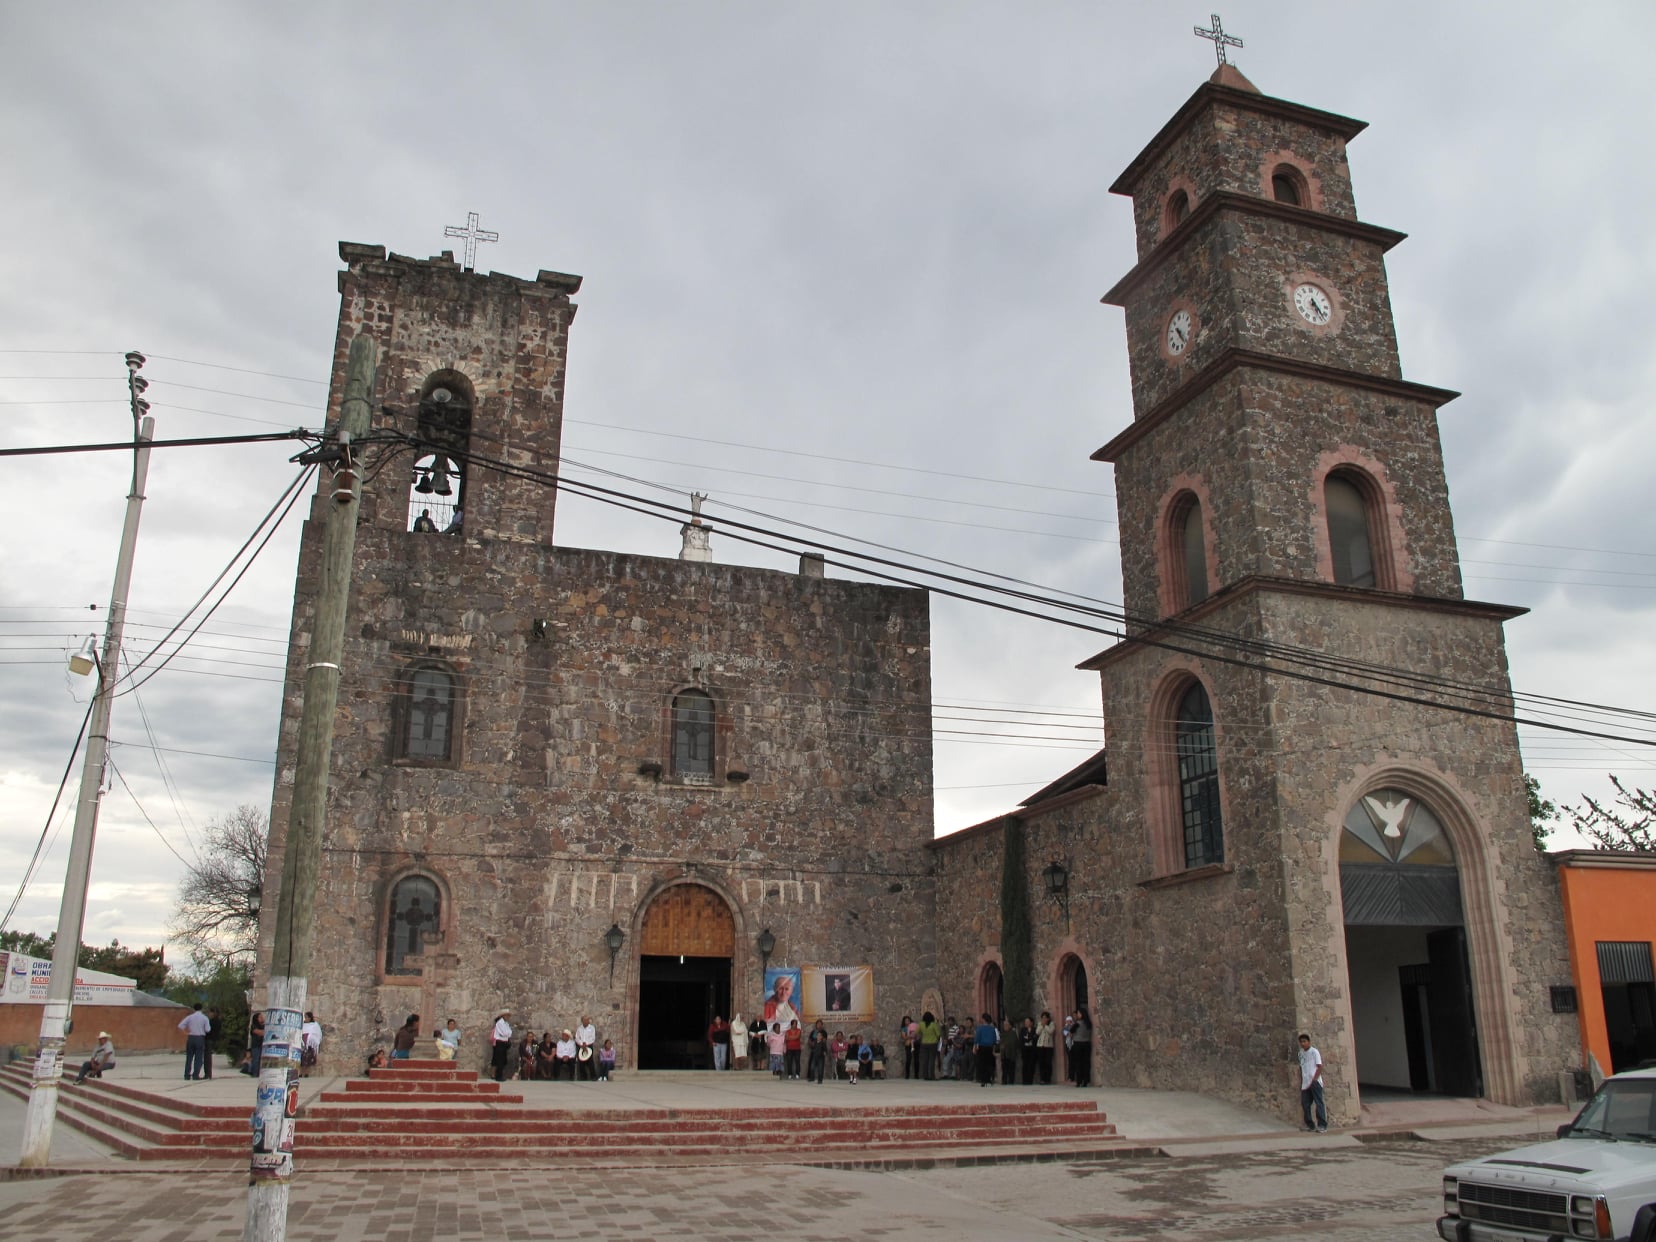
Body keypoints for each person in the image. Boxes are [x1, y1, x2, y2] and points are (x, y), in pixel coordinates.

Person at [1298, 1033, 1328, 1132]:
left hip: (1314, 1081)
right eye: (1301, 1042)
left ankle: (1322, 1125)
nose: (1303, 1044)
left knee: (1318, 1103)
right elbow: (1301, 1067)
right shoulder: (1300, 1053)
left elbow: (1319, 1066)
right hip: (1305, 1083)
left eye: (1304, 1041)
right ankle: (1309, 1124)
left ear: (1309, 1042)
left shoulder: (1314, 1052)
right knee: (1305, 1103)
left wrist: (1315, 1079)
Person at [179, 1003, 212, 1081]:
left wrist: (186, 1033)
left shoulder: (189, 1017)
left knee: (189, 1057)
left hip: (191, 1037)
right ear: (202, 1008)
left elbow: (180, 1026)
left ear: (193, 1009)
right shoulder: (204, 1018)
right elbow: (208, 1030)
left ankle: (186, 1075)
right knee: (198, 1057)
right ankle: (195, 1075)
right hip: (200, 1038)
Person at [973, 1013, 998, 1087]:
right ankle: (989, 1078)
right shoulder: (992, 1029)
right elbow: (994, 1040)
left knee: (982, 1064)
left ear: (983, 1019)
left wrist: (975, 1047)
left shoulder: (980, 1028)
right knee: (989, 1064)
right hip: (989, 1047)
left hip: (982, 1047)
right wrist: (993, 1049)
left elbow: (977, 1038)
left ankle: (983, 1080)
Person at [1070, 1008, 1093, 1087]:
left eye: (1079, 1013)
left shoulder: (1077, 1024)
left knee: (1078, 1063)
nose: (1077, 1015)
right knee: (1086, 1063)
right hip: (1086, 1043)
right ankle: (1085, 1080)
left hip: (1078, 1044)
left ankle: (1079, 1080)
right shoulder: (1088, 1023)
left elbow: (1070, 1032)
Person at [490, 1010, 513, 1082]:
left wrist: (508, 1034)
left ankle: (500, 1075)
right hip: (500, 1042)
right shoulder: (500, 1023)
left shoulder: (506, 1023)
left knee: (502, 1059)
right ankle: (498, 1076)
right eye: (507, 1015)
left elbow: (510, 1032)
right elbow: (504, 1033)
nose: (508, 1017)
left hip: (504, 1042)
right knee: (499, 1059)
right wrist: (508, 1034)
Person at [918, 1011, 940, 1081]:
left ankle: (925, 1075)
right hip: (933, 1043)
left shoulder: (921, 1024)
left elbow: (916, 1032)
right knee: (931, 1060)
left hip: (924, 1043)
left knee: (925, 1060)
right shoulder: (933, 1024)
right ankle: (932, 1076)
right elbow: (938, 1034)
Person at [242, 1010, 265, 1076]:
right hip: (256, 1046)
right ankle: (255, 1073)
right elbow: (260, 1033)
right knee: (256, 1060)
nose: (262, 1018)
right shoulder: (253, 1026)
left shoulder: (263, 1026)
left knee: (261, 1060)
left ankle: (259, 1073)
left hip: (262, 1045)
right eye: (260, 1017)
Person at [299, 1012, 323, 1076]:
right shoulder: (302, 1024)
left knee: (308, 1059)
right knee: (301, 1058)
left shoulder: (314, 1024)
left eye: (307, 1017)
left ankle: (307, 1073)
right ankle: (300, 1073)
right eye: (305, 1017)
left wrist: (311, 1038)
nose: (306, 1018)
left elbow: (317, 1033)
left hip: (310, 1044)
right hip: (302, 1043)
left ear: (310, 1018)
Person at [576, 1014, 597, 1081]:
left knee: (590, 1061)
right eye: (585, 1020)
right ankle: (583, 1076)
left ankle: (593, 1076)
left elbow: (593, 1038)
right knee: (581, 1061)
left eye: (587, 1020)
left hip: (589, 1045)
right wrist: (582, 1044)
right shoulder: (579, 1028)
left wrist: (586, 1044)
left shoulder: (592, 1028)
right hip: (581, 1046)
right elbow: (577, 1038)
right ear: (582, 1021)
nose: (586, 1022)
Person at [1036, 1011, 1055, 1085]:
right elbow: (1037, 1032)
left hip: (1048, 1046)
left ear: (1048, 1018)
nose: (1043, 1019)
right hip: (1040, 1045)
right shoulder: (1039, 1024)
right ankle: (1042, 1079)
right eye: (1042, 1018)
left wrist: (1045, 1026)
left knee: (1048, 1063)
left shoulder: (1051, 1024)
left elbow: (1051, 1031)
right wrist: (1042, 1026)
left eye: (1045, 1018)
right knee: (1041, 1063)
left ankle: (1048, 1079)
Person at [806, 1019, 829, 1084]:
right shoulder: (813, 1032)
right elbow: (810, 1040)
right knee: (812, 1066)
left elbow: (825, 1045)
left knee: (820, 1068)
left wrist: (825, 1052)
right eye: (817, 1024)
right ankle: (811, 1077)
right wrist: (812, 1044)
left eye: (820, 1024)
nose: (818, 1025)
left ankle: (820, 1079)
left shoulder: (824, 1032)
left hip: (821, 1055)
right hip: (814, 1053)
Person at [999, 1018, 1019, 1085]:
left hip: (1011, 1054)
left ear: (1010, 1026)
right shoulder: (1003, 1034)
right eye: (1004, 1025)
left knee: (1011, 1069)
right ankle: (1004, 1081)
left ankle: (1011, 1081)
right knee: (1004, 1068)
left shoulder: (1013, 1033)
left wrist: (1006, 1045)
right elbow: (1000, 1042)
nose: (1005, 1026)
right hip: (1004, 1054)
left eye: (1006, 1025)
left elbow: (1014, 1043)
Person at [1019, 1017, 1038, 1085]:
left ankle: (1030, 1080)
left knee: (1031, 1065)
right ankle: (1024, 1080)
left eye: (1027, 1022)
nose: (1026, 1023)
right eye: (1025, 1022)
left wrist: (1029, 1036)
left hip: (1032, 1050)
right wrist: (1028, 1038)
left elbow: (1034, 1038)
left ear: (1031, 1023)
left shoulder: (1034, 1029)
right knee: (1025, 1065)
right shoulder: (1023, 1030)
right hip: (1025, 1050)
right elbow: (1022, 1039)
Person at [204, 1006, 221, 1078]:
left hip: (209, 1040)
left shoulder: (212, 1021)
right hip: (213, 1040)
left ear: (213, 1013)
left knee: (207, 1058)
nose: (209, 1014)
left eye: (210, 1012)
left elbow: (208, 1031)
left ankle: (207, 1073)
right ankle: (208, 1073)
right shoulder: (218, 1020)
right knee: (208, 1057)